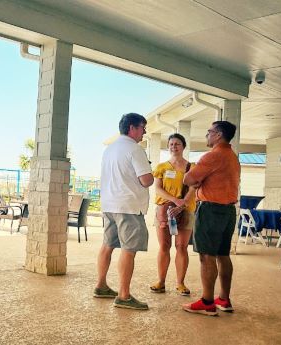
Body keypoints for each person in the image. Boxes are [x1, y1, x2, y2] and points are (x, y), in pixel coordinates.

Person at [94, 113, 154, 310]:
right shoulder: (135, 149)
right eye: (142, 127)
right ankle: (124, 296)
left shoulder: (110, 149)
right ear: (132, 128)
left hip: (110, 204)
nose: (144, 132)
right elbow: (147, 180)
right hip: (128, 206)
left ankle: (101, 286)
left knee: (107, 245)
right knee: (129, 250)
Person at [182, 121, 240, 316]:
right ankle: (224, 299)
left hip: (211, 210)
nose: (207, 135)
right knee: (223, 255)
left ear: (218, 135)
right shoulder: (232, 156)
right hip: (229, 211)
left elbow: (188, 180)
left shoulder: (212, 155)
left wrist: (198, 183)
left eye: (209, 132)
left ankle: (207, 302)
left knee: (206, 255)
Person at [150, 133, 196, 296]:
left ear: (183, 146)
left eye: (177, 144)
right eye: (171, 144)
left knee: (181, 247)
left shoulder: (192, 167)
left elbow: (193, 188)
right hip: (164, 211)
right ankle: (161, 282)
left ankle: (180, 283)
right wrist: (174, 201)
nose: (173, 146)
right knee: (164, 246)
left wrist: (182, 204)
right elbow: (158, 188)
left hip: (186, 211)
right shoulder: (162, 167)